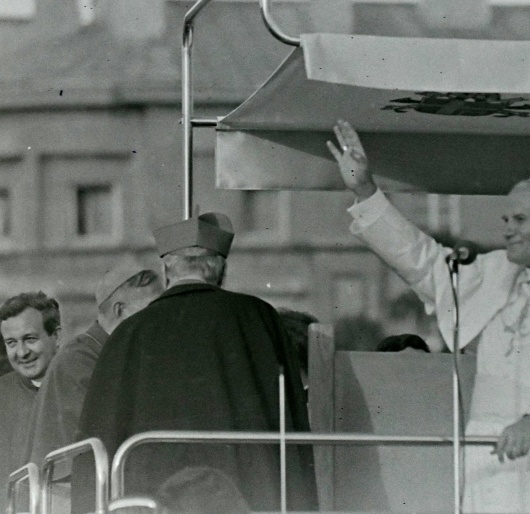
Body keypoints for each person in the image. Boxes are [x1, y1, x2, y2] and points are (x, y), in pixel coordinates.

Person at [327, 119, 530, 513]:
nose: (508, 231)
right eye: (505, 220)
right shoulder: (495, 271)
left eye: (520, 220)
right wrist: (366, 191)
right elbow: (425, 264)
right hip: (489, 456)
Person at [73, 212, 317, 513]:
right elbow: (289, 419)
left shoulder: (129, 333)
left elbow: (99, 437)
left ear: (166, 269)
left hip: (152, 502)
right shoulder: (259, 317)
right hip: (250, 496)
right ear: (221, 269)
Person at [24, 256, 164, 471]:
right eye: (152, 310)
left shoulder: (115, 352)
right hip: (68, 491)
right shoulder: (78, 360)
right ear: (119, 311)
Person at [0, 292, 61, 514]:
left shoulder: (79, 382)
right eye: (11, 343)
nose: (22, 352)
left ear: (56, 336)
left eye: (30, 339)